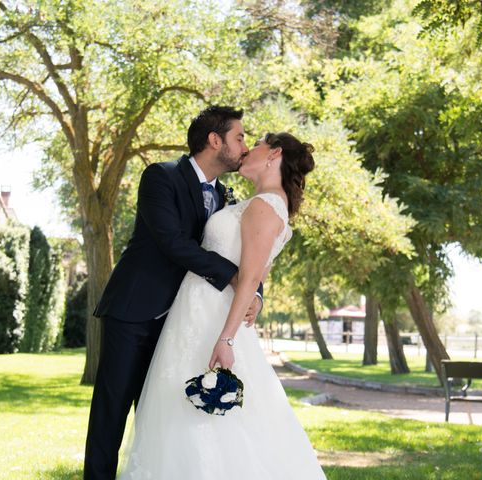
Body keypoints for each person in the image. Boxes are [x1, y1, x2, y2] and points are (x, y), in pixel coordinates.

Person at [118, 132, 325, 479]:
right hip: (195, 313)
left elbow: (248, 276)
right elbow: (258, 278)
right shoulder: (262, 202)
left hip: (212, 321)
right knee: (180, 412)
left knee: (201, 419)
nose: (246, 149)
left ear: (273, 154)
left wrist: (226, 339)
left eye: (254, 143)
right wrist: (257, 297)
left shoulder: (265, 206)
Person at [84, 106, 264, 480]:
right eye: (240, 137)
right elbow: (173, 243)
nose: (245, 145)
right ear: (215, 140)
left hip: (184, 324)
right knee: (110, 415)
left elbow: (242, 249)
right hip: (134, 312)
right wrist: (235, 280)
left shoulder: (227, 196)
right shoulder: (160, 177)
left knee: (162, 420)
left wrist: (256, 292)